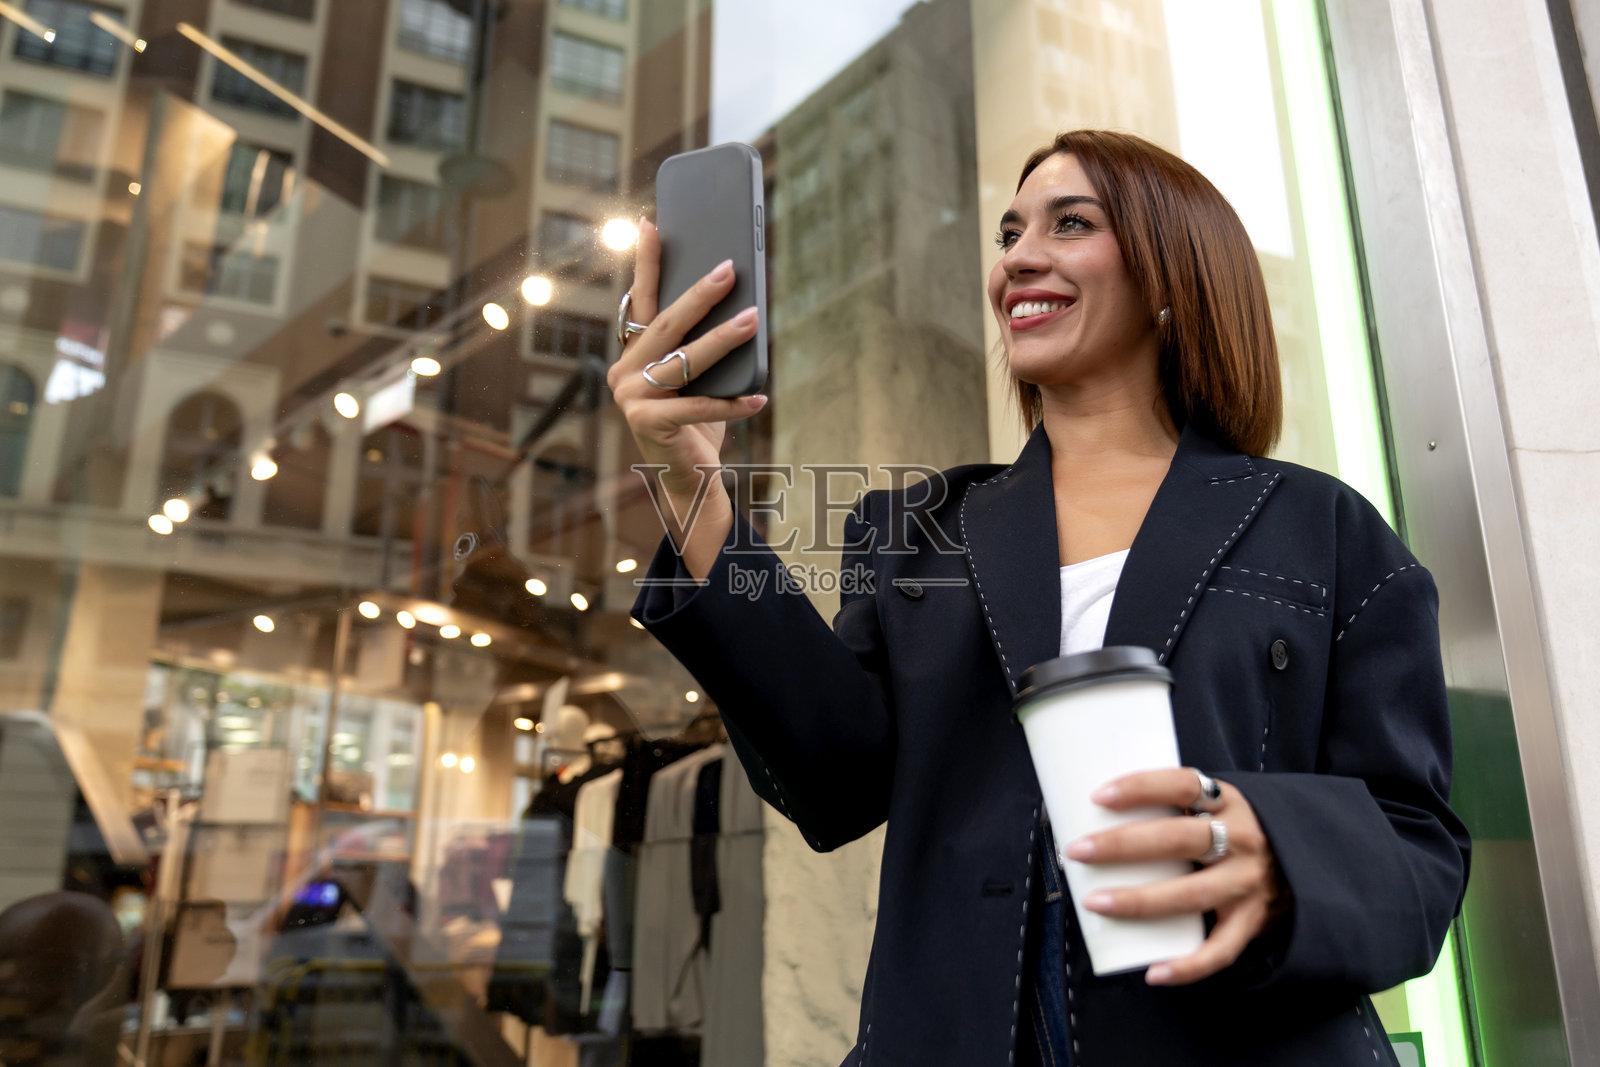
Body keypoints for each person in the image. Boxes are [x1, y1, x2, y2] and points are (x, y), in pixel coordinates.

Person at [607, 129, 1470, 1066]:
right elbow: (833, 782)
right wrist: (693, 487)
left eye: (1070, 224)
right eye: (1010, 233)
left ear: (1172, 272)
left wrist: (1287, 855)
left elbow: (1419, 850)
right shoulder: (916, 529)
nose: (1018, 256)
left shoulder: (1326, 530)